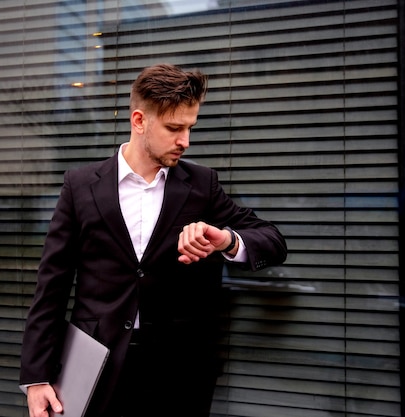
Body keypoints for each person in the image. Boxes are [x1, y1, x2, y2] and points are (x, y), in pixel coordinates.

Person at [20, 63, 287, 417]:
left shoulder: (202, 186)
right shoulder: (80, 185)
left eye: (190, 128)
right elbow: (51, 287)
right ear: (139, 120)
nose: (185, 141)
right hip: (96, 366)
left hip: (181, 370)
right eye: (175, 128)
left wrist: (225, 240)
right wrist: (37, 377)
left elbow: (273, 241)